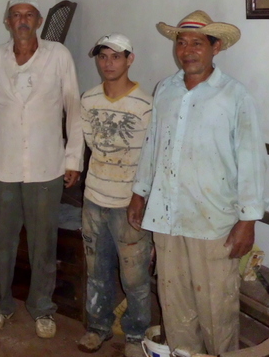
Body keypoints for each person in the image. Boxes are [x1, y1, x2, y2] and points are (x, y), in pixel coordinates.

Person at [127, 10, 266, 356]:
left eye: (197, 43)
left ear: (215, 48)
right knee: (175, 305)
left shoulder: (234, 95)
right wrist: (139, 193)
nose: (187, 51)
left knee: (216, 310)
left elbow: (251, 159)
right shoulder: (166, 89)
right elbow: (153, 144)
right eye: (181, 42)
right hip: (168, 215)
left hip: (213, 221)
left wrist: (248, 221)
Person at [0, 0, 84, 339]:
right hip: (2, 166)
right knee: (3, 243)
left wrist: (73, 158)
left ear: (38, 21)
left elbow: (74, 106)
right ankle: (1, 304)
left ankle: (42, 308)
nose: (22, 20)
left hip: (46, 167)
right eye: (15, 15)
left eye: (29, 15)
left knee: (43, 243)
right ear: (7, 22)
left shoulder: (58, 55)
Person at [77, 34, 153, 355]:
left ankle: (136, 335)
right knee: (96, 272)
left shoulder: (146, 104)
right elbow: (91, 144)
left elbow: (151, 157)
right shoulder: (88, 99)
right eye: (103, 57)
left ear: (129, 59)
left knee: (135, 278)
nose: (108, 63)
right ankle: (98, 327)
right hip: (94, 198)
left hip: (129, 203)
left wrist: (141, 196)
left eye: (116, 57)